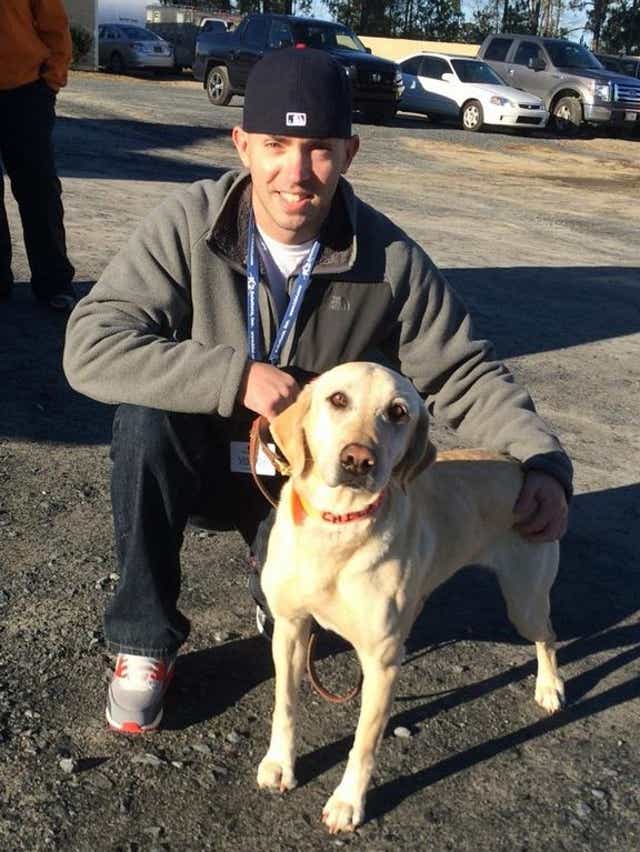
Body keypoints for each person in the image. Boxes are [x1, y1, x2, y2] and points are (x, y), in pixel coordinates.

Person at [63, 47, 571, 734]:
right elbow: (91, 344)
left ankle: (277, 591)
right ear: (243, 144)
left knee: (294, 607)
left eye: (319, 149)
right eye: (275, 144)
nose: (296, 172)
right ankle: (142, 644)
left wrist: (541, 460)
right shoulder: (188, 224)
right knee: (144, 421)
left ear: (350, 152)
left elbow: (461, 373)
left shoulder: (390, 259)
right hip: (207, 464)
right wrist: (232, 377)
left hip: (315, 488)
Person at [0, 0, 76, 311]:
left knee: (38, 190)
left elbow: (54, 25)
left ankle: (54, 282)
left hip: (25, 91)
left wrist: (52, 80)